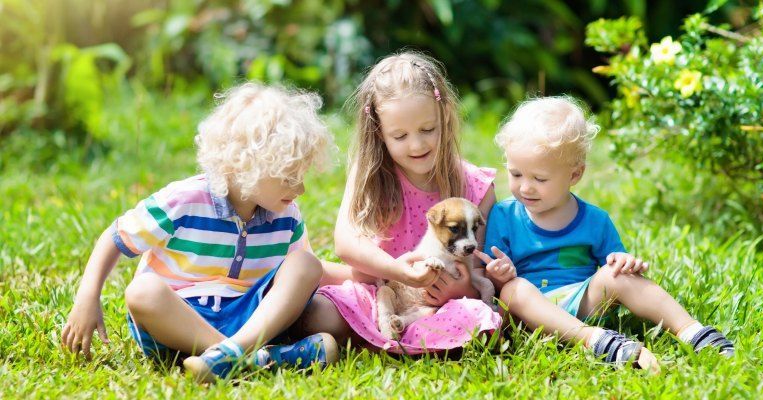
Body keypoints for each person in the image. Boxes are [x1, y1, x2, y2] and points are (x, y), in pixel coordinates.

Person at [61, 83, 339, 383]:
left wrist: (371, 275)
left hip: (247, 319)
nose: (300, 188)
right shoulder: (184, 200)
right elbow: (114, 238)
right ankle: (254, 358)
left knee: (307, 265)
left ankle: (232, 356)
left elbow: (309, 274)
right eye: (288, 177)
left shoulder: (286, 214)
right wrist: (87, 298)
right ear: (245, 166)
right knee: (142, 291)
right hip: (178, 322)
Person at [482, 96, 735, 371]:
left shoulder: (595, 220)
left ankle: (692, 331)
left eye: (539, 179)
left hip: (583, 302)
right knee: (513, 290)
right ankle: (594, 340)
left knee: (618, 275)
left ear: (575, 175)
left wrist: (624, 262)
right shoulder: (504, 216)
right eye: (516, 174)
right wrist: (498, 274)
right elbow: (490, 280)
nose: (525, 187)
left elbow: (614, 258)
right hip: (531, 315)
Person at [296, 51, 501, 354]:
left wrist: (463, 289)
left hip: (440, 303)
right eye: (400, 135)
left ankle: (394, 336)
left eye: (427, 130)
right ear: (379, 133)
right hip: (379, 290)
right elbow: (346, 243)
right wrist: (399, 273)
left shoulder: (475, 187)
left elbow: (476, 265)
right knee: (318, 313)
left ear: (444, 115)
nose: (417, 144)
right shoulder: (371, 175)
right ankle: (402, 335)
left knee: (478, 319)